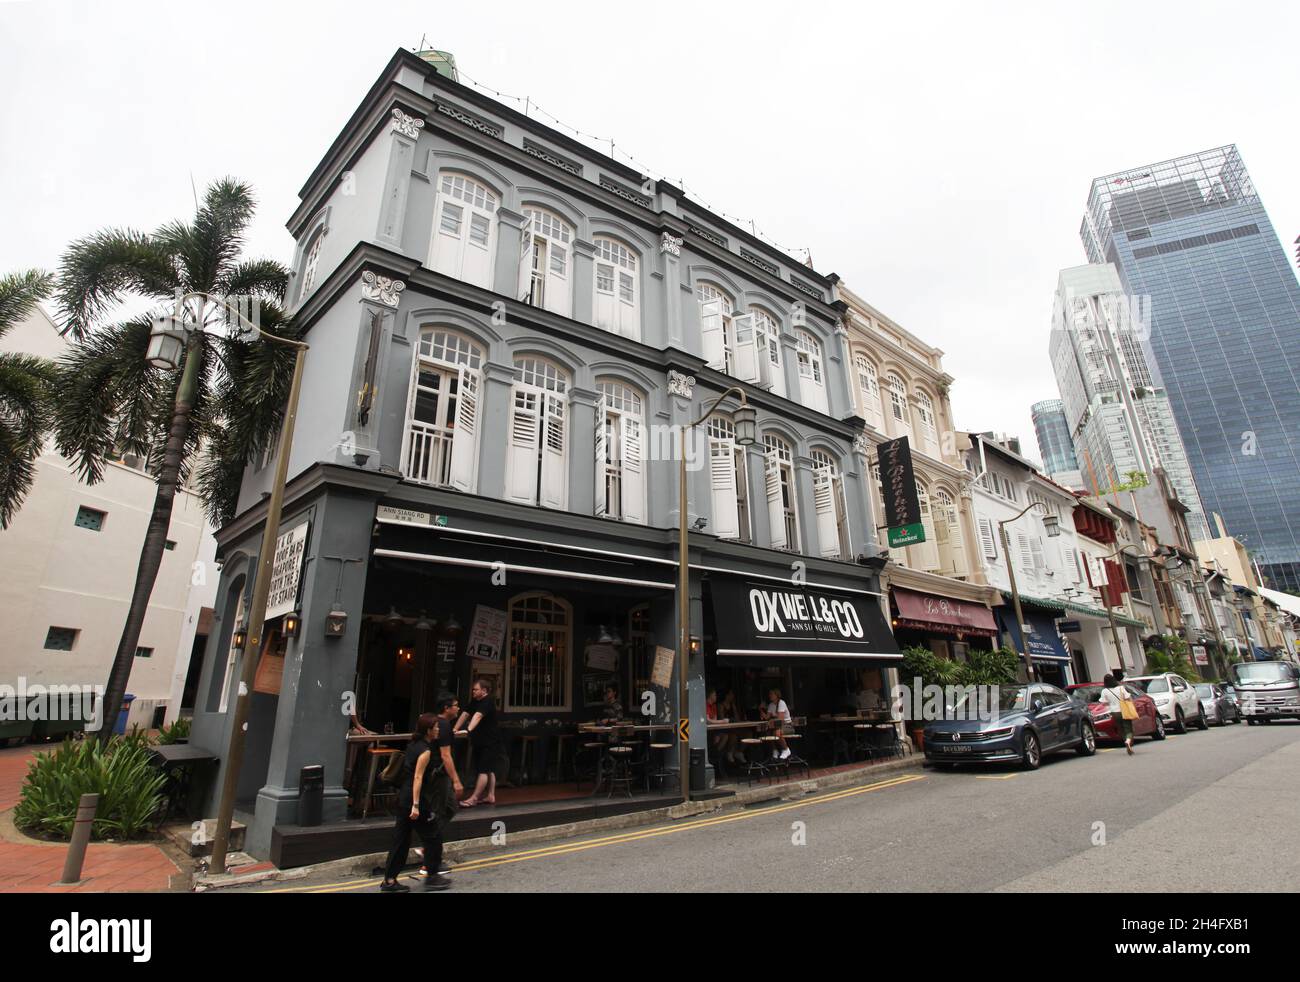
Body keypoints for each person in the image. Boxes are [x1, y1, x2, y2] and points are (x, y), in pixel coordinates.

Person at [379, 694, 464, 893]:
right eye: (435, 728)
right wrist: (416, 805)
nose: (438, 730)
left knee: (400, 840)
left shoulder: (413, 745)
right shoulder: (425, 751)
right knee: (433, 837)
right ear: (428, 730)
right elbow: (418, 778)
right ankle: (432, 875)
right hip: (414, 800)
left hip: (403, 798)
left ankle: (389, 881)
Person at [455, 678, 501, 807]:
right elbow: (465, 714)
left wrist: (468, 729)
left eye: (476, 689)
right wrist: (455, 729)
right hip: (479, 740)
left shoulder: (488, 702)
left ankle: (474, 798)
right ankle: (491, 795)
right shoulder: (476, 701)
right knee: (488, 769)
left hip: (489, 741)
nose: (473, 692)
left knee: (483, 770)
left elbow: (477, 716)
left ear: (484, 691)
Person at [1096, 673, 1136, 756]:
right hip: (1124, 711)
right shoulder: (1121, 688)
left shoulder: (1105, 691)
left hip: (1114, 712)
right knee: (1128, 729)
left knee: (1121, 729)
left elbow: (1103, 703)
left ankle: (1126, 741)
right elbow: (1128, 698)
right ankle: (1128, 741)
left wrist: (1110, 703)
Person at [760, 687, 792, 759]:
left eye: (772, 694)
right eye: (769, 694)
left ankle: (786, 749)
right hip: (777, 726)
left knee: (777, 733)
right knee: (767, 733)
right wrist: (761, 709)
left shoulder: (781, 703)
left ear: (776, 695)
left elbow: (780, 719)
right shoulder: (771, 705)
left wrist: (771, 720)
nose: (770, 695)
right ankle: (775, 750)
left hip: (787, 726)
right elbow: (767, 717)